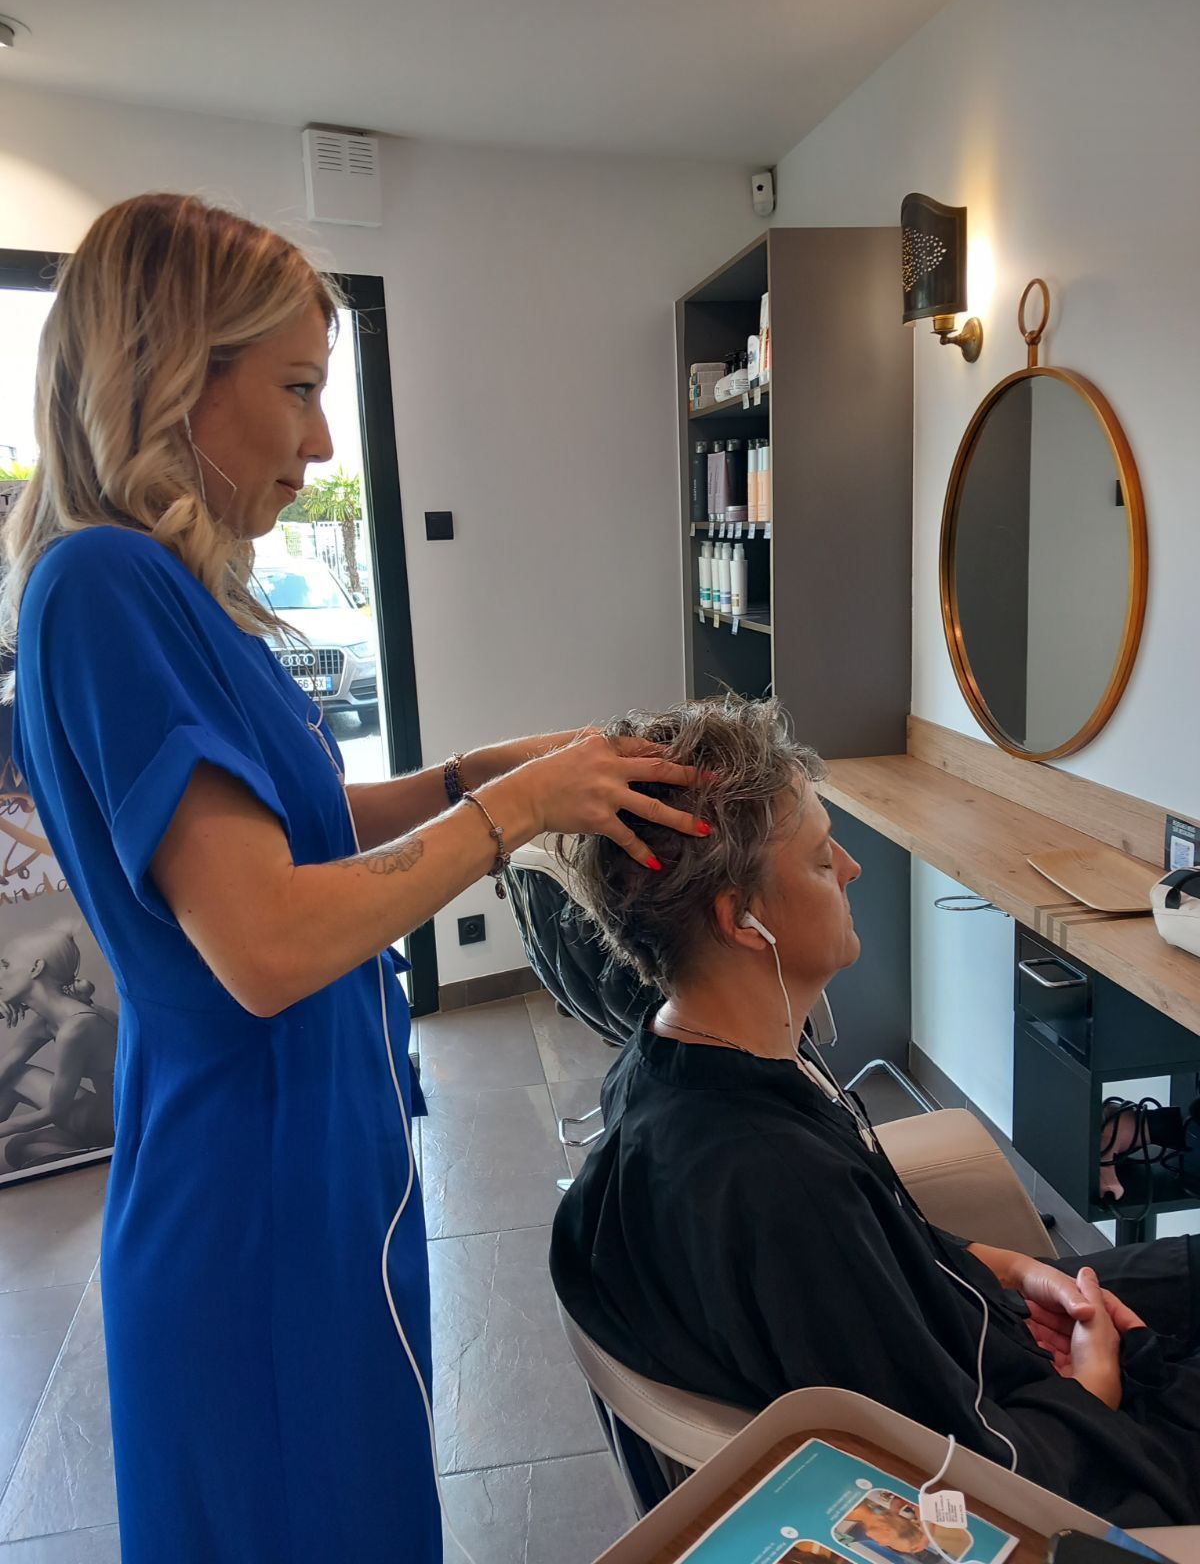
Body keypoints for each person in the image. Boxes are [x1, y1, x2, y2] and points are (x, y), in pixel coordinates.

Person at [2, 193, 710, 1564]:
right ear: (169, 371)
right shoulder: (100, 589)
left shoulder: (182, 600)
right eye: (299, 391)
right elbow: (263, 936)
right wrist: (516, 811)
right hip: (251, 1200)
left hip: (316, 1160)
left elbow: (305, 824)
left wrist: (498, 767)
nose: (324, 443)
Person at [550, 695, 1200, 1528]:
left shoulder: (669, 1069)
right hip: (1059, 1468)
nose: (853, 869)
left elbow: (883, 1250)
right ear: (742, 922)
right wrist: (1099, 1380)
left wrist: (1013, 1267)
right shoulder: (779, 1189)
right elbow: (960, 1496)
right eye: (822, 860)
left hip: (981, 1336)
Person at [0, 917, 117, 1171]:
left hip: (114, 1122)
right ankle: (90, 1152)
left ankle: (104, 1151)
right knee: (19, 1148)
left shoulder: (78, 1026)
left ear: (36, 968)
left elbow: (53, 1111)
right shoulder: (48, 1020)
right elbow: (4, 1070)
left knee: (22, 1142)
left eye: (5, 965)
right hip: (100, 1114)